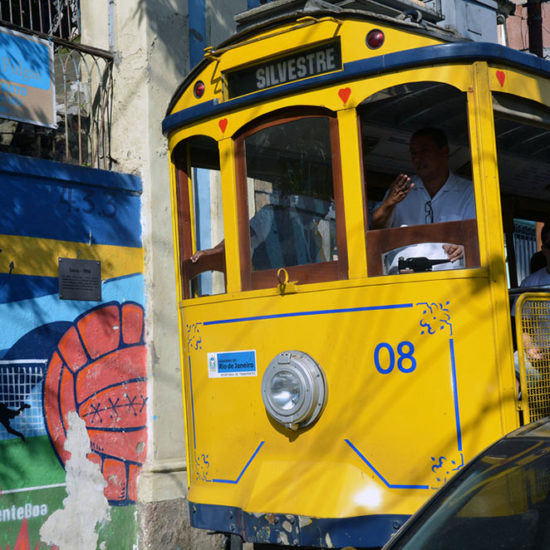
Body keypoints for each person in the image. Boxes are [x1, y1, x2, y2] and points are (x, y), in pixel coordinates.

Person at [372, 127, 475, 264]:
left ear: (444, 152)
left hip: (450, 278)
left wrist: (463, 248)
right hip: (403, 278)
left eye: (425, 151)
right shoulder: (401, 189)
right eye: (413, 153)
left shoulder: (468, 191)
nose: (418, 158)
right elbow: (376, 227)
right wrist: (390, 203)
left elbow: (476, 237)